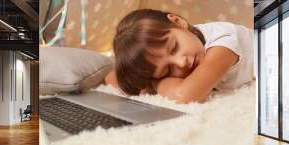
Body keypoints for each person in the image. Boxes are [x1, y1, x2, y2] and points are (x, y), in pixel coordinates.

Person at [104, 9, 254, 104]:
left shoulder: (224, 42)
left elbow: (185, 95)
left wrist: (155, 83)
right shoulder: (189, 40)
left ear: (178, 22)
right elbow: (111, 78)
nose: (181, 63)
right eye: (167, 70)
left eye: (174, 47)